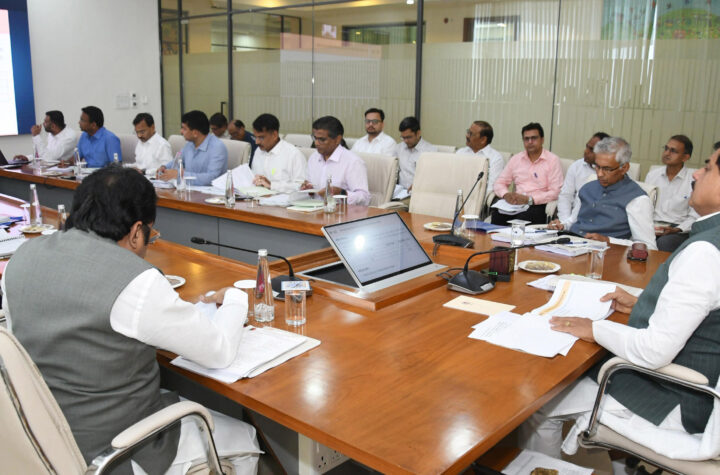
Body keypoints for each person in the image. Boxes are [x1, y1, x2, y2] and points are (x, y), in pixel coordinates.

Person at [1, 166, 260, 474]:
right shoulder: (135, 281)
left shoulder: (21, 258)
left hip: (40, 439)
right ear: (137, 232)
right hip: (112, 452)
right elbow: (219, 351)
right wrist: (236, 297)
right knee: (244, 436)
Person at [519, 147, 720, 461]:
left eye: (708, 168)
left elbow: (654, 351)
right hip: (689, 382)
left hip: (675, 397)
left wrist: (594, 328)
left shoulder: (705, 251)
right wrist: (641, 304)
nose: (696, 173)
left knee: (539, 400)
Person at [548, 137, 657, 249]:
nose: (599, 174)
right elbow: (574, 221)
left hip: (605, 254)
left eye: (607, 169)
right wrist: (562, 225)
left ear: (624, 168)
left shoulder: (637, 199)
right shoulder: (587, 187)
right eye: (597, 166)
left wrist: (608, 240)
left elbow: (649, 246)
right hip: (570, 245)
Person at [491, 122, 563, 225]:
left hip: (538, 204)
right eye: (526, 139)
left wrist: (530, 200)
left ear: (542, 140)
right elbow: (499, 182)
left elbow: (556, 191)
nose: (530, 142)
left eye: (534, 138)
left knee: (523, 219)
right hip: (516, 204)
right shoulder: (516, 159)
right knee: (497, 215)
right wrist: (506, 194)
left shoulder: (552, 160)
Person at [644, 135, 699, 252]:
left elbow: (695, 216)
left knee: (664, 243)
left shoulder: (693, 179)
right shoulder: (652, 175)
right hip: (653, 225)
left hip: (678, 229)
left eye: (673, 151)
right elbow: (644, 206)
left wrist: (678, 229)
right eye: (666, 149)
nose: (667, 153)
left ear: (685, 157)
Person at [301, 116, 370, 206]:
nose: (316, 143)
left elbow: (364, 198)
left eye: (322, 139)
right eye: (315, 138)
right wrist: (309, 190)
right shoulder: (313, 157)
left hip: (340, 211)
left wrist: (341, 193)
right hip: (314, 209)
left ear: (337, 139)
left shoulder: (353, 162)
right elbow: (311, 190)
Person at [158, 110, 228, 186]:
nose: (181, 131)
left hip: (210, 192)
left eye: (184, 129)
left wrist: (179, 175)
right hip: (189, 189)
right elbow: (178, 161)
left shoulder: (217, 148)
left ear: (195, 133)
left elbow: (212, 178)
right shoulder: (189, 144)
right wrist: (164, 167)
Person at [556, 132, 610, 223]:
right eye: (587, 147)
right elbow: (565, 196)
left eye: (591, 150)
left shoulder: (613, 174)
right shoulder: (576, 166)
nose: (586, 151)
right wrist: (564, 223)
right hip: (574, 221)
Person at [250, 113, 306, 193]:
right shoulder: (258, 151)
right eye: (255, 137)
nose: (257, 142)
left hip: (283, 199)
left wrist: (272, 185)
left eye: (261, 137)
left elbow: (301, 186)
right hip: (258, 197)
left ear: (274, 135)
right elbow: (254, 178)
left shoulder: (293, 154)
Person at [456, 120, 505, 199]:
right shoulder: (460, 153)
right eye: (468, 132)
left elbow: (490, 188)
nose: (467, 135)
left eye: (471, 134)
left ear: (483, 140)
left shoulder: (495, 158)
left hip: (479, 200)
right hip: (457, 196)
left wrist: (474, 200)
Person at [395, 116, 437, 194]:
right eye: (403, 137)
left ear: (418, 133)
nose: (405, 141)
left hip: (420, 192)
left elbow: (432, 177)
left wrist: (419, 185)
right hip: (401, 193)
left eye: (409, 137)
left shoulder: (430, 151)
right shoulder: (399, 148)